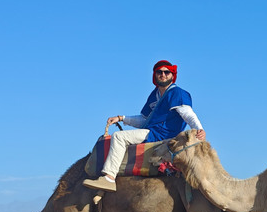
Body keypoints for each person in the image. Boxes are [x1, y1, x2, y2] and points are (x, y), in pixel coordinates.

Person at [82, 60, 205, 193]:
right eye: (159, 72)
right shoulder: (154, 95)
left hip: (163, 135)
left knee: (118, 137)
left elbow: (187, 114)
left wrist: (199, 129)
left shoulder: (177, 93)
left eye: (166, 72)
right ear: (155, 75)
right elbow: (143, 120)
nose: (163, 75)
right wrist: (121, 118)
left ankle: (109, 178)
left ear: (172, 75)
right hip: (150, 132)